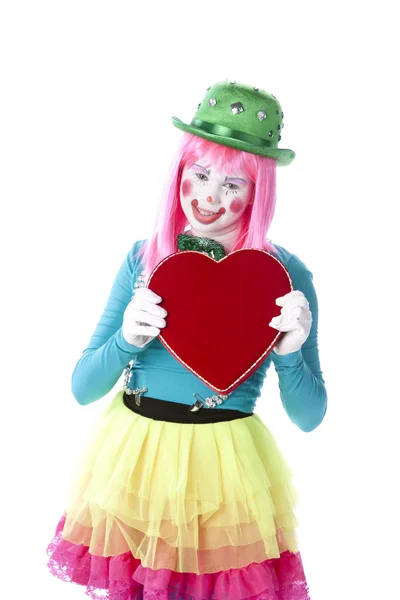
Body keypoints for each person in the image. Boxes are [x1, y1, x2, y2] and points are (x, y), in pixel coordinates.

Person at [46, 80, 328, 600]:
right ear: (180, 173)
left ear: (258, 192)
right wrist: (127, 339)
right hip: (134, 460)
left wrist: (290, 354)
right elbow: (83, 389)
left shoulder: (285, 274)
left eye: (233, 184)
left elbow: (311, 418)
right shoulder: (144, 257)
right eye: (199, 174)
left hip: (225, 470)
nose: (209, 196)